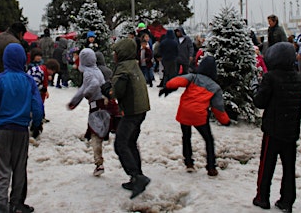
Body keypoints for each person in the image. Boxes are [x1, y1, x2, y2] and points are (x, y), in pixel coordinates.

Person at [0, 43, 44, 213]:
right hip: (21, 130)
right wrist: (36, 123)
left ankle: (1, 206)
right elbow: (37, 106)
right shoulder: (29, 80)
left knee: (1, 169)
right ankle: (17, 203)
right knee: (19, 168)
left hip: (1, 129)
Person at [252, 42, 301, 212]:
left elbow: (260, 102)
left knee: (267, 164)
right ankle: (287, 200)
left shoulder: (271, 77)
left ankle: (262, 197)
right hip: (291, 130)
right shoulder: (298, 78)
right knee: (289, 167)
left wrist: (256, 87)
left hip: (273, 130)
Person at [160, 56, 231, 176]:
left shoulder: (193, 78)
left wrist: (167, 86)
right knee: (208, 140)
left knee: (186, 137)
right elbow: (217, 108)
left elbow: (174, 82)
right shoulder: (215, 87)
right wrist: (226, 121)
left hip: (184, 112)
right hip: (199, 115)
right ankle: (211, 167)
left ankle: (188, 163)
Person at [108, 38, 151, 199]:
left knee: (121, 144)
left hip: (132, 111)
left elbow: (116, 92)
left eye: (116, 53)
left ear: (121, 54)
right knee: (131, 142)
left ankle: (137, 177)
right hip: (140, 109)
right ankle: (136, 176)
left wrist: (107, 89)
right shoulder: (132, 64)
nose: (114, 56)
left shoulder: (123, 69)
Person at [67, 48, 109, 176]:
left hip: (96, 105)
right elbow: (84, 87)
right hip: (103, 104)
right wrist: (75, 100)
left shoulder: (88, 73)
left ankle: (99, 163)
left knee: (95, 135)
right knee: (99, 131)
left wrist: (86, 94)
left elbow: (90, 86)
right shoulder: (97, 71)